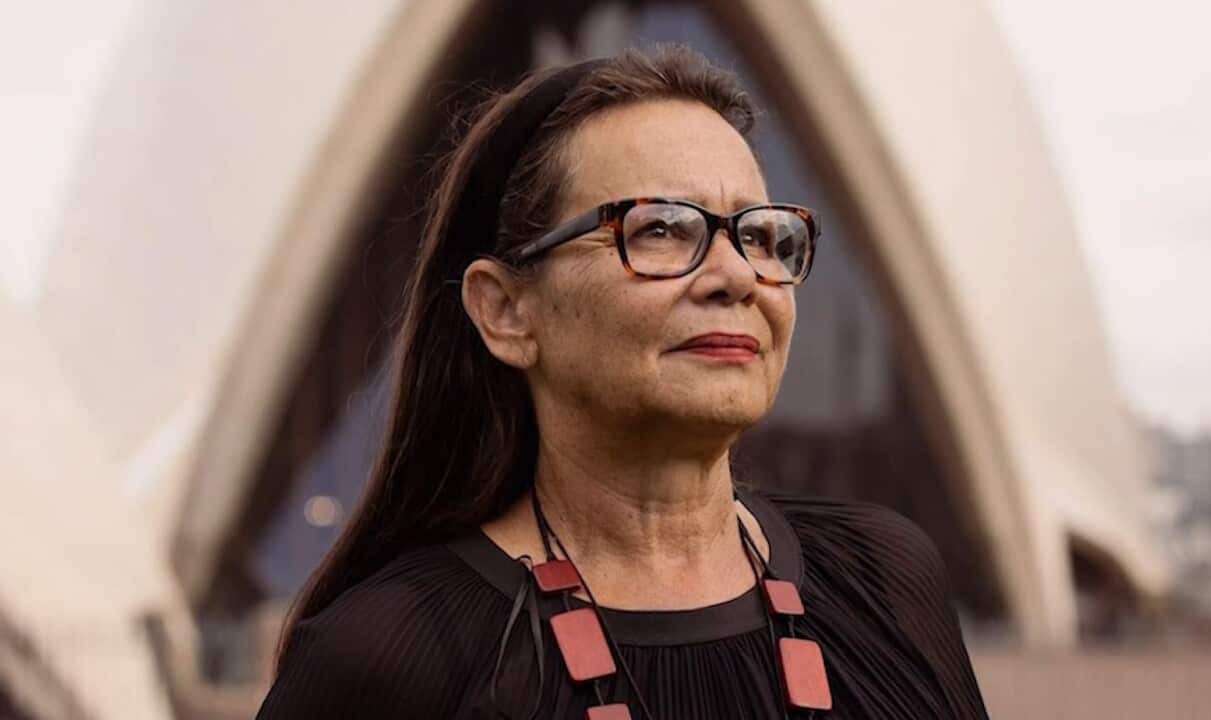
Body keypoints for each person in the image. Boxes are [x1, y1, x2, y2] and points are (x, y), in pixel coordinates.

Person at [257, 44, 990, 719]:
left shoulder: (885, 578)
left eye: (762, 235)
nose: (736, 276)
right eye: (661, 229)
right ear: (507, 310)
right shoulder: (387, 657)